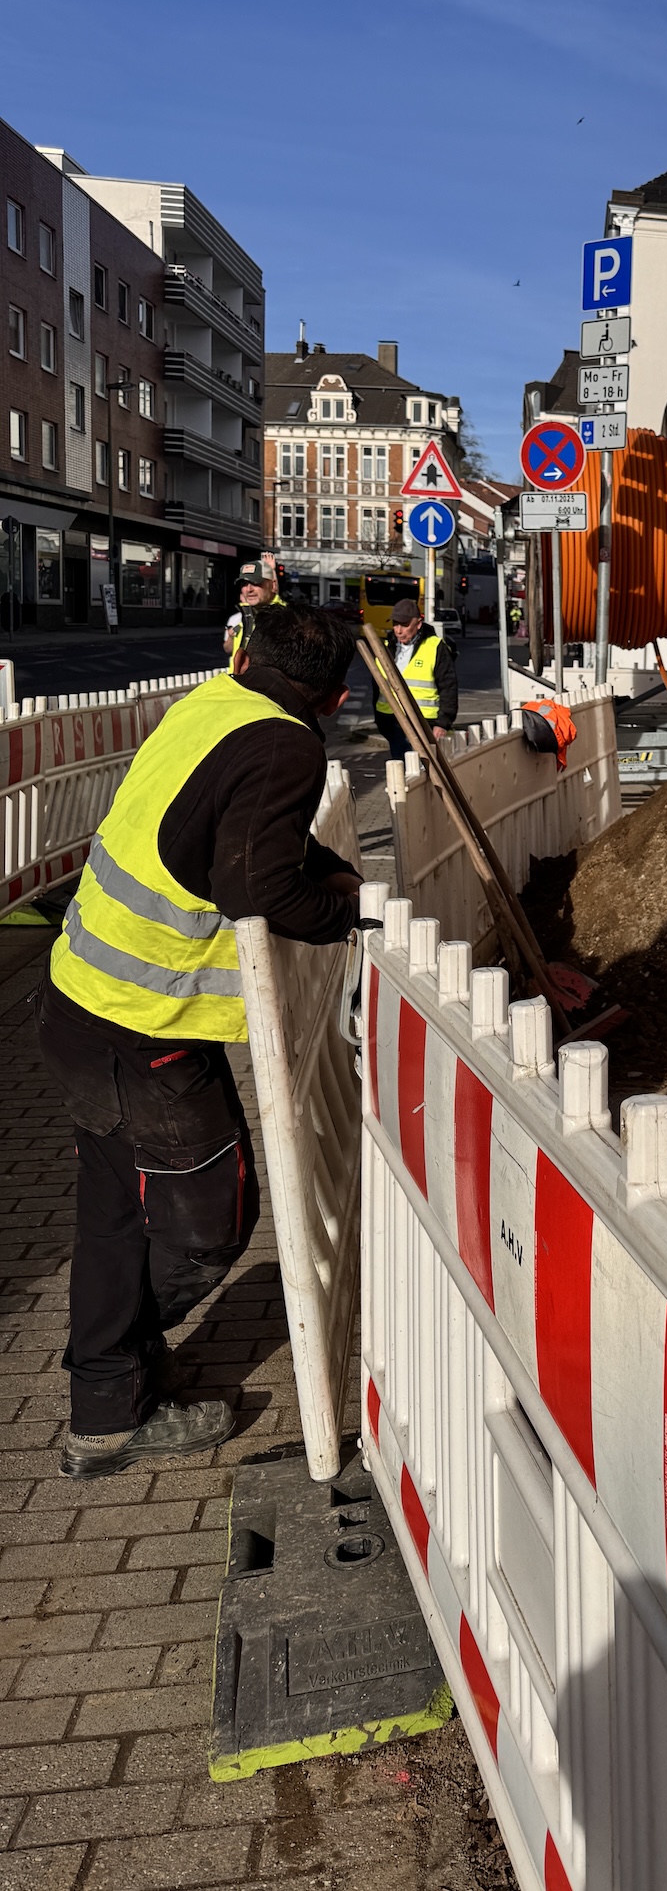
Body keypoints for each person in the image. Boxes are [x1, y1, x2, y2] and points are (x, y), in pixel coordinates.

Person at [37, 604, 363, 1477]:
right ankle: (117, 1378)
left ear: (246, 656)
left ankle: (108, 1403)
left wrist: (320, 869)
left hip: (83, 1000)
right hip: (144, 1026)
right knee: (207, 1223)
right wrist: (347, 914)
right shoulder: (289, 746)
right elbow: (257, 887)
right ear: (334, 697)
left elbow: (228, 830)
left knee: (115, 1217)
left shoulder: (212, 703)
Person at [375, 597, 457, 759]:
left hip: (424, 722)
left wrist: (443, 722)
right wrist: (380, 720)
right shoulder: (386, 647)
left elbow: (448, 687)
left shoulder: (435, 647)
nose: (398, 630)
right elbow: (376, 686)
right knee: (401, 766)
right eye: (395, 624)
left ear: (418, 624)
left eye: (404, 625)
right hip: (393, 720)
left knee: (422, 767)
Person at [223, 562, 284, 672]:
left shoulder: (286, 619)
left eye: (256, 583)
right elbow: (229, 650)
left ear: (273, 585)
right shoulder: (245, 618)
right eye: (244, 584)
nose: (249, 589)